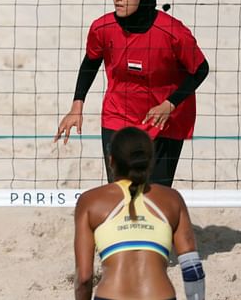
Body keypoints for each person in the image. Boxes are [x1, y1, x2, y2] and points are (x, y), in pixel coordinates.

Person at [54, 0, 209, 186]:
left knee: (156, 194)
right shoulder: (103, 27)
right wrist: (77, 105)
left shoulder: (173, 32)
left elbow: (201, 69)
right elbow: (90, 62)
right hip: (118, 114)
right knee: (119, 189)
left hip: (163, 118)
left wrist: (170, 104)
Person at [74, 126, 205, 300]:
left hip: (111, 295)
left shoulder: (90, 201)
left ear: (111, 161)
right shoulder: (172, 200)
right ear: (150, 161)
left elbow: (84, 278)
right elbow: (193, 270)